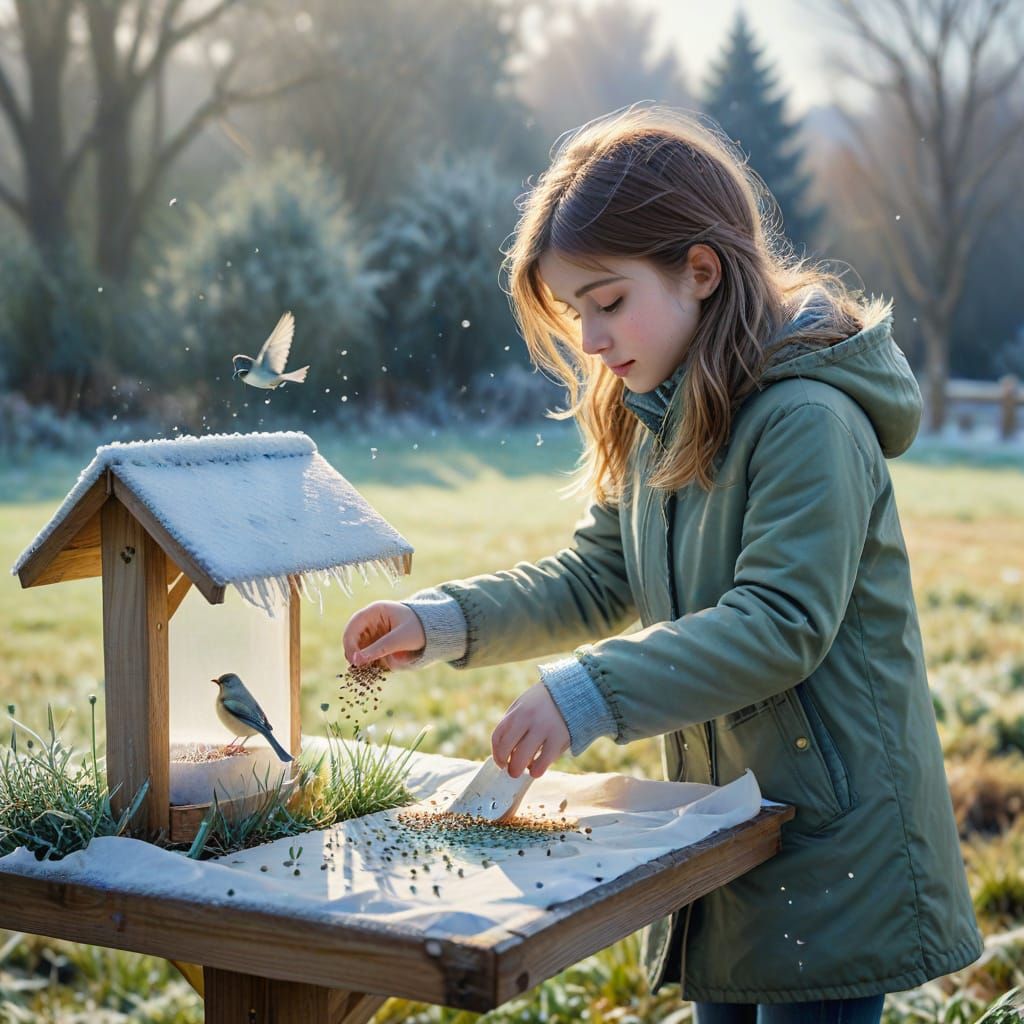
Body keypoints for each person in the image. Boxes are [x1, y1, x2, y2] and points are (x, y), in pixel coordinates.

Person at [342, 105, 982, 1023]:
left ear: (701, 270)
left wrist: (584, 693)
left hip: (837, 842)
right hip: (726, 826)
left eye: (608, 301)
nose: (593, 340)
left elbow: (779, 624)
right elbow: (600, 579)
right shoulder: (658, 413)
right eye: (576, 312)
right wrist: (440, 622)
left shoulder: (808, 420)